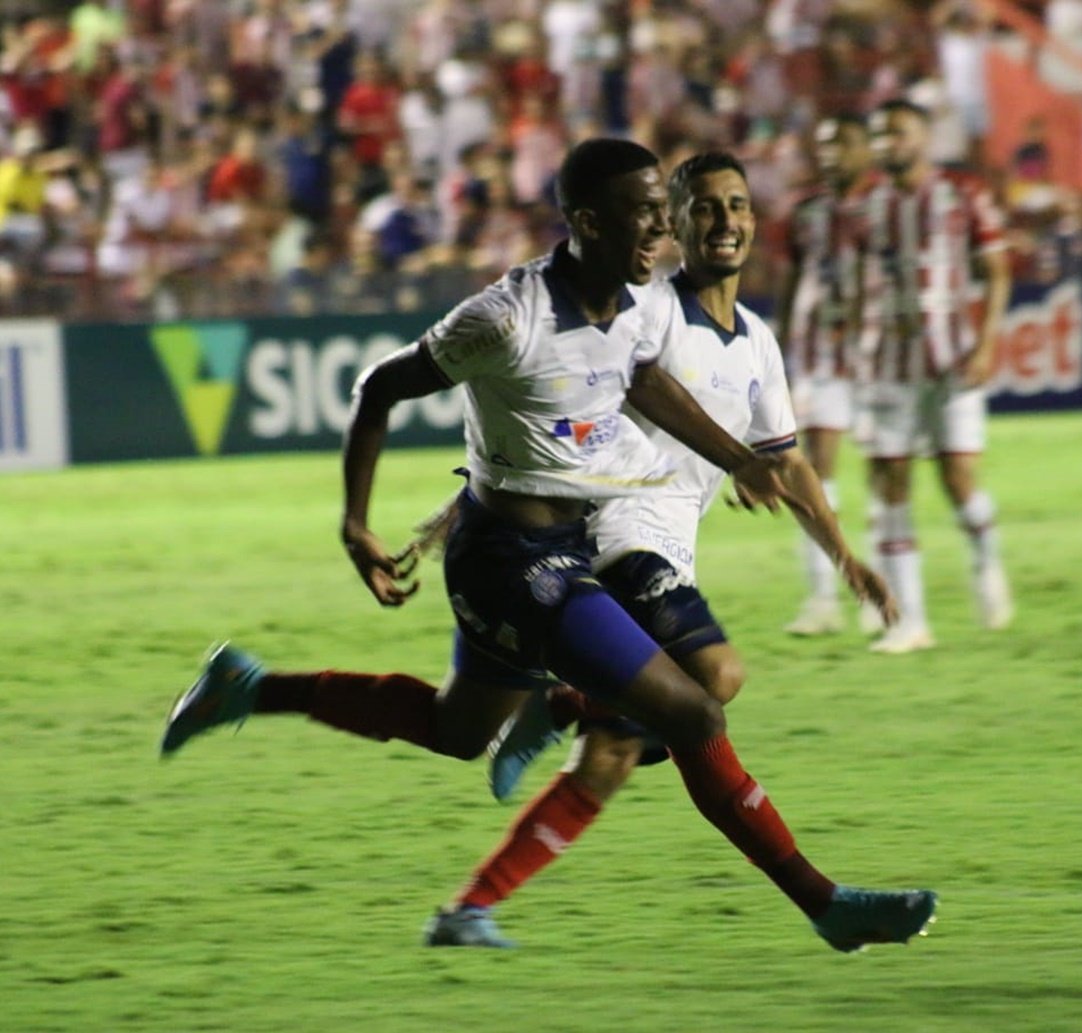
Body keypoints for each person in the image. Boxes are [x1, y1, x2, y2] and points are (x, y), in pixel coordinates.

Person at [159, 138, 937, 953]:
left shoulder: (633, 305)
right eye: (645, 211)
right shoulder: (507, 317)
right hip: (512, 561)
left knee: (458, 729)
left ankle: (247, 687)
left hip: (556, 544)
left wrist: (738, 456)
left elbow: (642, 379)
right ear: (586, 221)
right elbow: (381, 387)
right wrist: (356, 521)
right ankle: (825, 903)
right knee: (693, 705)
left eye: (659, 211)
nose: (660, 227)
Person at [424, 151, 897, 947]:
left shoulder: (756, 343)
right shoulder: (643, 310)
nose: (724, 222)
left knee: (609, 757)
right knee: (717, 675)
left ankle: (471, 907)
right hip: (609, 535)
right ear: (671, 222)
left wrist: (844, 555)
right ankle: (563, 702)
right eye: (705, 208)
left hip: (670, 549)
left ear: (756, 219)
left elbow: (784, 456)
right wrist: (472, 496)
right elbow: (553, 399)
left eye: (738, 205)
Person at [852, 99, 1013, 654]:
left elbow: (995, 271)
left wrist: (987, 343)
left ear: (923, 137)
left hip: (951, 361)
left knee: (958, 482)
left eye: (897, 132)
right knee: (890, 485)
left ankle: (986, 555)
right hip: (888, 365)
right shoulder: (865, 205)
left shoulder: (963, 194)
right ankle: (911, 622)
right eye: (878, 134)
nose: (886, 142)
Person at [775, 114, 877, 637]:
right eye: (824, 144)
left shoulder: (887, 206)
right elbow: (794, 277)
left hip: (880, 357)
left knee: (888, 473)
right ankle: (823, 597)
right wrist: (779, 343)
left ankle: (882, 595)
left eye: (844, 140)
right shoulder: (807, 213)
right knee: (815, 472)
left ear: (867, 148)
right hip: (820, 357)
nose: (832, 151)